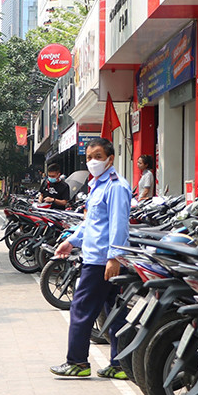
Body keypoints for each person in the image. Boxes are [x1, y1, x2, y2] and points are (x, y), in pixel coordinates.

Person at [50, 138, 133, 380]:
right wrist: (72, 241)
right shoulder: (97, 184)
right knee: (114, 312)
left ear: (110, 158)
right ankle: (120, 364)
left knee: (81, 309)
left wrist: (114, 257)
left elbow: (119, 225)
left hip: (101, 261)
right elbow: (91, 223)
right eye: (88, 157)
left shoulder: (116, 186)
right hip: (96, 256)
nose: (92, 162)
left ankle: (77, 361)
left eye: (98, 156)